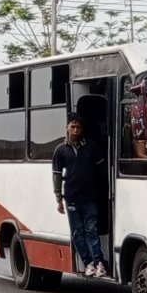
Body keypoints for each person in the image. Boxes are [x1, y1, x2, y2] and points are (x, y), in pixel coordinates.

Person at [52, 112, 108, 278]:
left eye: (79, 127)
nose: (76, 130)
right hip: (71, 197)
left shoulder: (91, 146)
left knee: (91, 229)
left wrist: (105, 190)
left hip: (90, 196)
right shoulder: (61, 150)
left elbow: (101, 171)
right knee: (77, 232)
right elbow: (56, 174)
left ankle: (99, 263)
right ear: (67, 128)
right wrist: (58, 198)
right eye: (73, 127)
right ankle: (88, 263)